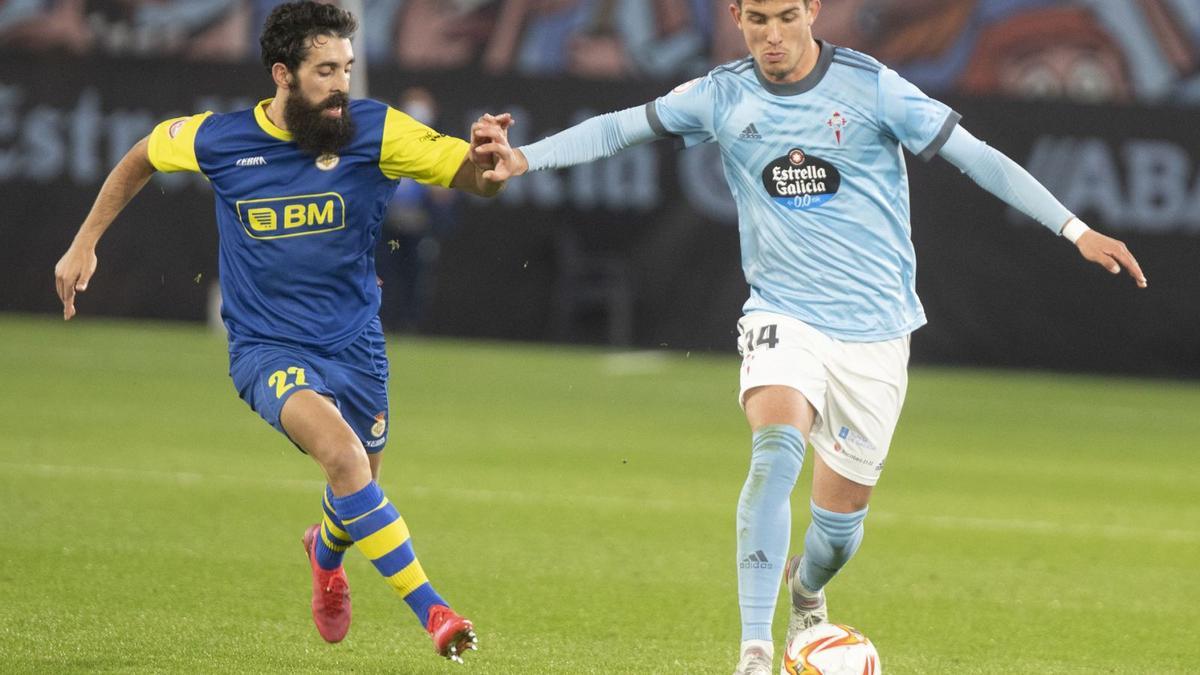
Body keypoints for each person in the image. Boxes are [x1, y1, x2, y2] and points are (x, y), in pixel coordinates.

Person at [471, 1, 1147, 672]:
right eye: (757, 18)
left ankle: (808, 585)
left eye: (787, 16)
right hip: (782, 315)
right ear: (735, 15)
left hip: (876, 333)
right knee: (774, 454)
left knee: (837, 534)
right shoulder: (720, 94)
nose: (773, 34)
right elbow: (620, 129)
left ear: (813, 9)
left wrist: (1075, 229)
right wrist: (523, 158)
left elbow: (975, 156)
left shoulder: (872, 86)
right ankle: (755, 653)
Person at [53, 0, 511, 663]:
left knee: (358, 492)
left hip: (356, 345)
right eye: (325, 70)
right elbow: (144, 153)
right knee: (348, 461)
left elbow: (471, 176)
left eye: (347, 68)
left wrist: (490, 167)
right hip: (267, 350)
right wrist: (84, 242)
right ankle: (435, 612)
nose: (341, 85)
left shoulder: (375, 131)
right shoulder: (222, 140)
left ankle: (324, 554)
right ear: (282, 74)